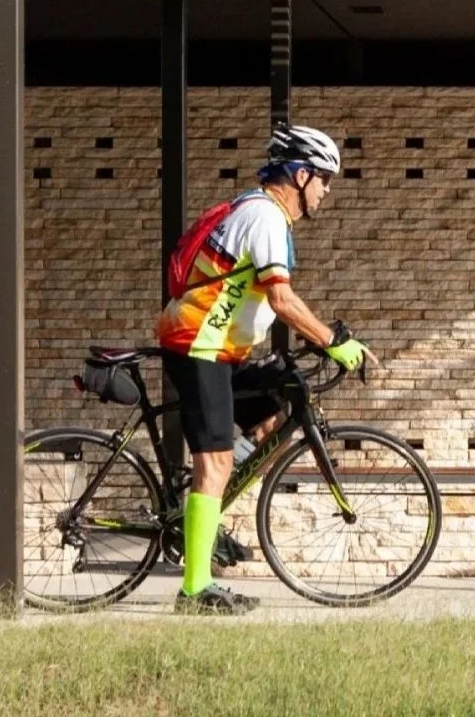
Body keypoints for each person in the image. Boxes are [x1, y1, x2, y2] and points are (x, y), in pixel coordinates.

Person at [154, 124, 371, 614]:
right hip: (199, 347)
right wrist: (332, 341)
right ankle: (194, 589)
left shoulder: (263, 213)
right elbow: (281, 299)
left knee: (278, 411)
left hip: (221, 349)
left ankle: (204, 516)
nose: (326, 190)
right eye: (324, 179)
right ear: (300, 176)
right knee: (216, 461)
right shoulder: (265, 216)